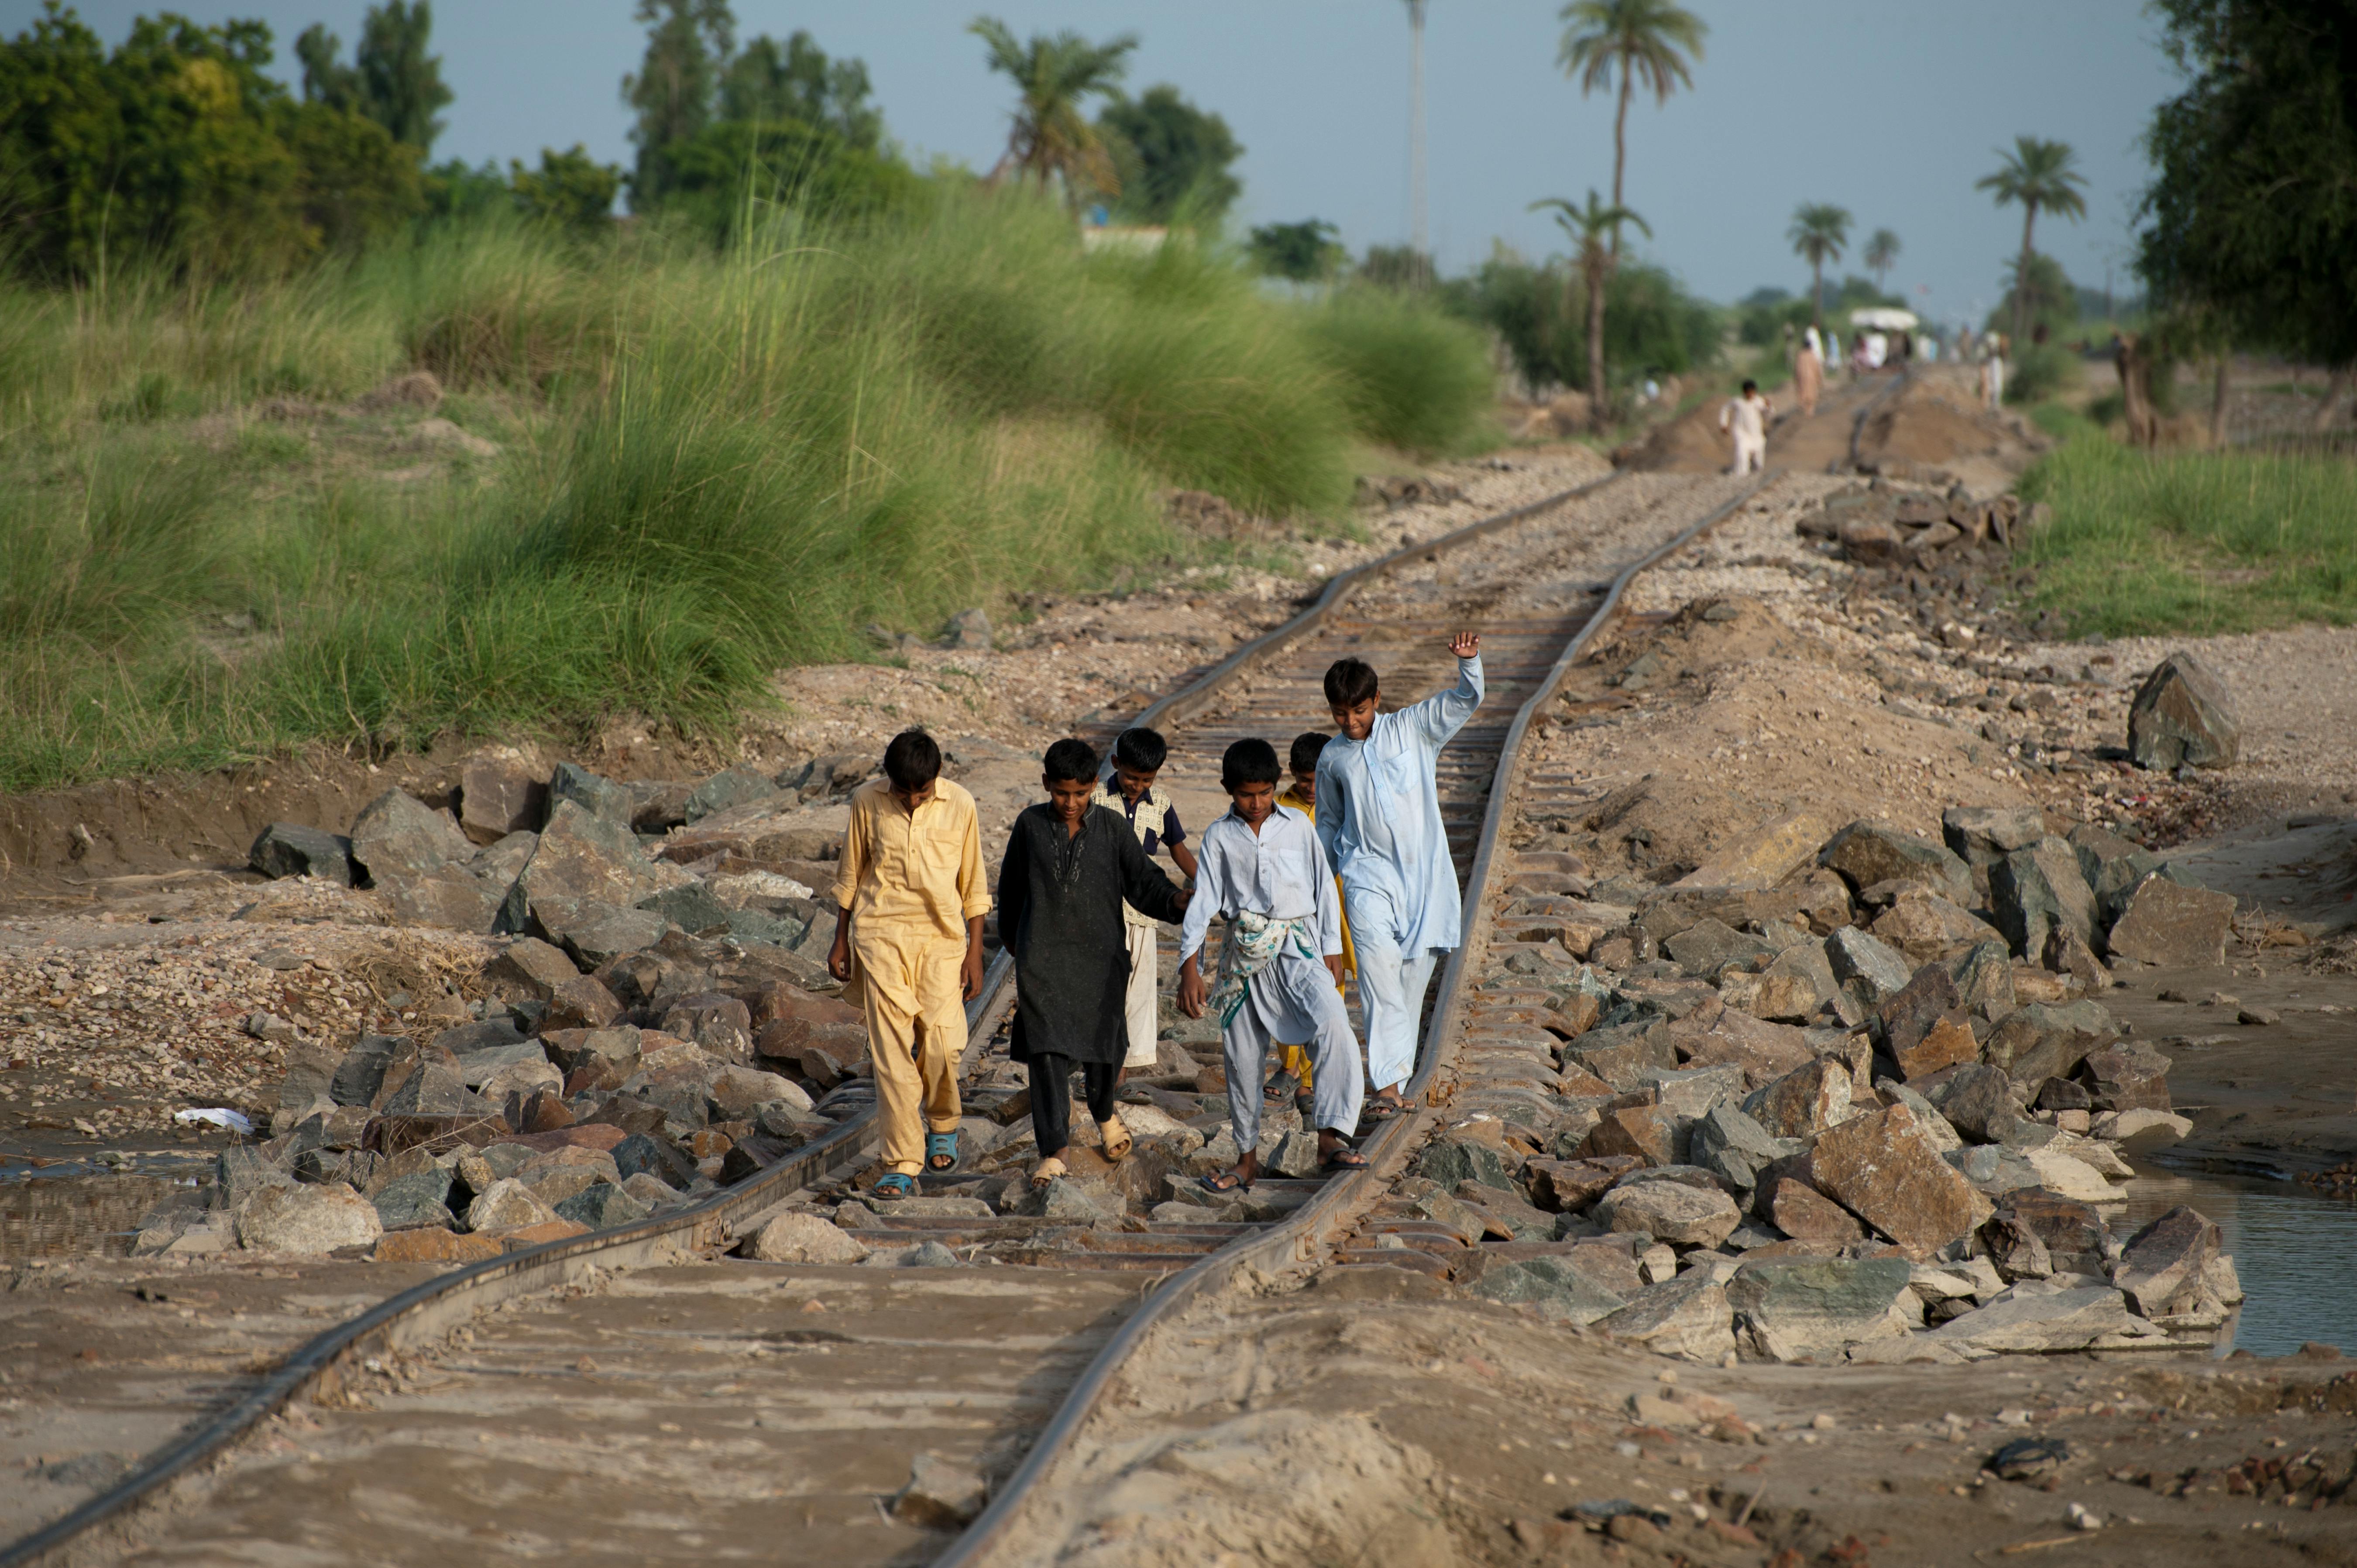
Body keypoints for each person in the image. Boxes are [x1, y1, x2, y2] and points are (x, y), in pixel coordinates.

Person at [1178, 738, 1367, 1192]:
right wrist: (1190, 965)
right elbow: (1203, 899)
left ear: (1275, 787)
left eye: (1265, 792)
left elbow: (1323, 886)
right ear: (1229, 790)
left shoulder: (1299, 826)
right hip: (1243, 956)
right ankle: (1246, 1158)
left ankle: (1330, 1136)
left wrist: (1331, 947)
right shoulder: (1220, 836)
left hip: (1298, 947)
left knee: (1334, 1024)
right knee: (1242, 1059)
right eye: (1247, 794)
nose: (1257, 802)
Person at [1000, 738, 1190, 1188]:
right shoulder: (1029, 826)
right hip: (1043, 960)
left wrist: (1178, 900)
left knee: (1105, 1047)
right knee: (1045, 1054)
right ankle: (1055, 1150)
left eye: (1080, 793)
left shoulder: (1111, 828)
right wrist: (1020, 946)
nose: (1071, 803)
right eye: (1062, 793)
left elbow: (1145, 883)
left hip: (1102, 957)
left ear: (1092, 789)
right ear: (1047, 784)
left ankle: (1105, 1113)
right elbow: (1009, 894)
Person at [1313, 632, 1482, 1120]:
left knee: (1410, 982)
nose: (1351, 722)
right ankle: (1386, 1085)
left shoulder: (1413, 728)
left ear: (1376, 701)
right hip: (1366, 875)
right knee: (1379, 972)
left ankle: (1397, 1081)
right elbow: (1328, 821)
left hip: (1425, 878)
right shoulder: (1332, 757)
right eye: (1341, 713)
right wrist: (1318, 881)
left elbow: (1465, 700)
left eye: (1359, 711)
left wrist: (1469, 664)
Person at [827, 729, 990, 1201]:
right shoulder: (866, 801)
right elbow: (851, 873)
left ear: (936, 780)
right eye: (905, 792)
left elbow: (974, 885)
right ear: (889, 780)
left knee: (942, 1042)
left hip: (942, 941)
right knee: (893, 1056)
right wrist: (841, 940)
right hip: (880, 938)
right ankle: (901, 1159)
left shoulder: (961, 803)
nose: (914, 800)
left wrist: (975, 953)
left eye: (922, 791)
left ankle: (943, 1120)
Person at [1090, 727, 1199, 1071]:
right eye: (1131, 777)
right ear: (1115, 763)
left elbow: (1178, 849)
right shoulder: (1096, 800)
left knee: (1139, 991)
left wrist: (1207, 883)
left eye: (1146, 780)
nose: (1137, 786)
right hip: (1102, 911)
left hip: (1143, 914)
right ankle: (1102, 1063)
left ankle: (1124, 1067)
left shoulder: (1161, 804)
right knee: (1103, 988)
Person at [1264, 731, 1356, 1119]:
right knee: (1288, 991)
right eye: (1305, 782)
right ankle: (1293, 1068)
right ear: (1293, 776)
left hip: (1334, 916)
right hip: (1293, 916)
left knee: (1329, 992)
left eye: (1319, 780)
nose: (1313, 789)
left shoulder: (1344, 803)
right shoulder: (1280, 809)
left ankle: (1312, 1081)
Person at [1719, 379, 1772, 475]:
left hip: (1756, 435)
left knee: (1759, 460)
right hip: (1742, 433)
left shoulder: (1759, 401)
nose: (1751, 395)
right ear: (1744, 392)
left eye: (1752, 392)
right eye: (1749, 393)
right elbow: (1725, 409)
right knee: (1742, 454)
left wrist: (1769, 407)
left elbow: (1769, 414)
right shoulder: (1738, 401)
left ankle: (1757, 476)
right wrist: (1724, 424)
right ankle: (1742, 477)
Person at [1793, 333, 1825, 418]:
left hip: (1802, 378)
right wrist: (1819, 380)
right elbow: (1818, 369)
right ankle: (1809, 414)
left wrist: (1796, 379)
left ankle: (1805, 414)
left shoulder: (1800, 355)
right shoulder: (1813, 355)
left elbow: (1797, 369)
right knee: (1811, 398)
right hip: (1812, 379)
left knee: (1803, 396)